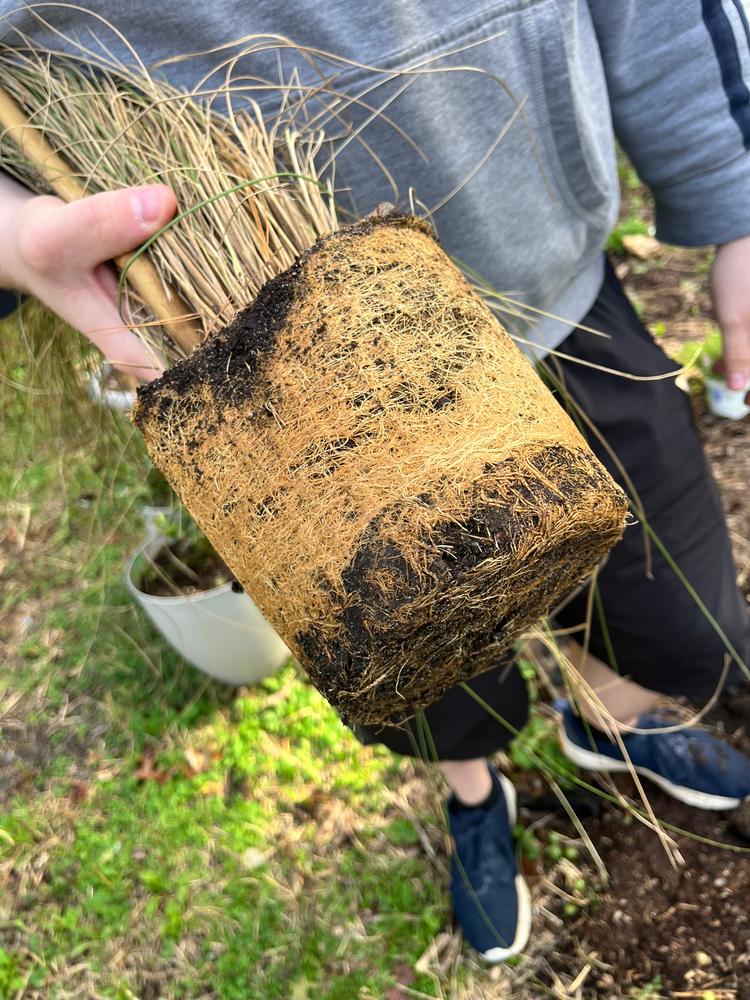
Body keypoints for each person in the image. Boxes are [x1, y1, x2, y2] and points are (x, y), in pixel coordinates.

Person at [2, 0, 750, 964]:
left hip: (550, 277)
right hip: (275, 377)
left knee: (669, 606)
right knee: (407, 642)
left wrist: (733, 201)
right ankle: (475, 795)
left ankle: (615, 718)